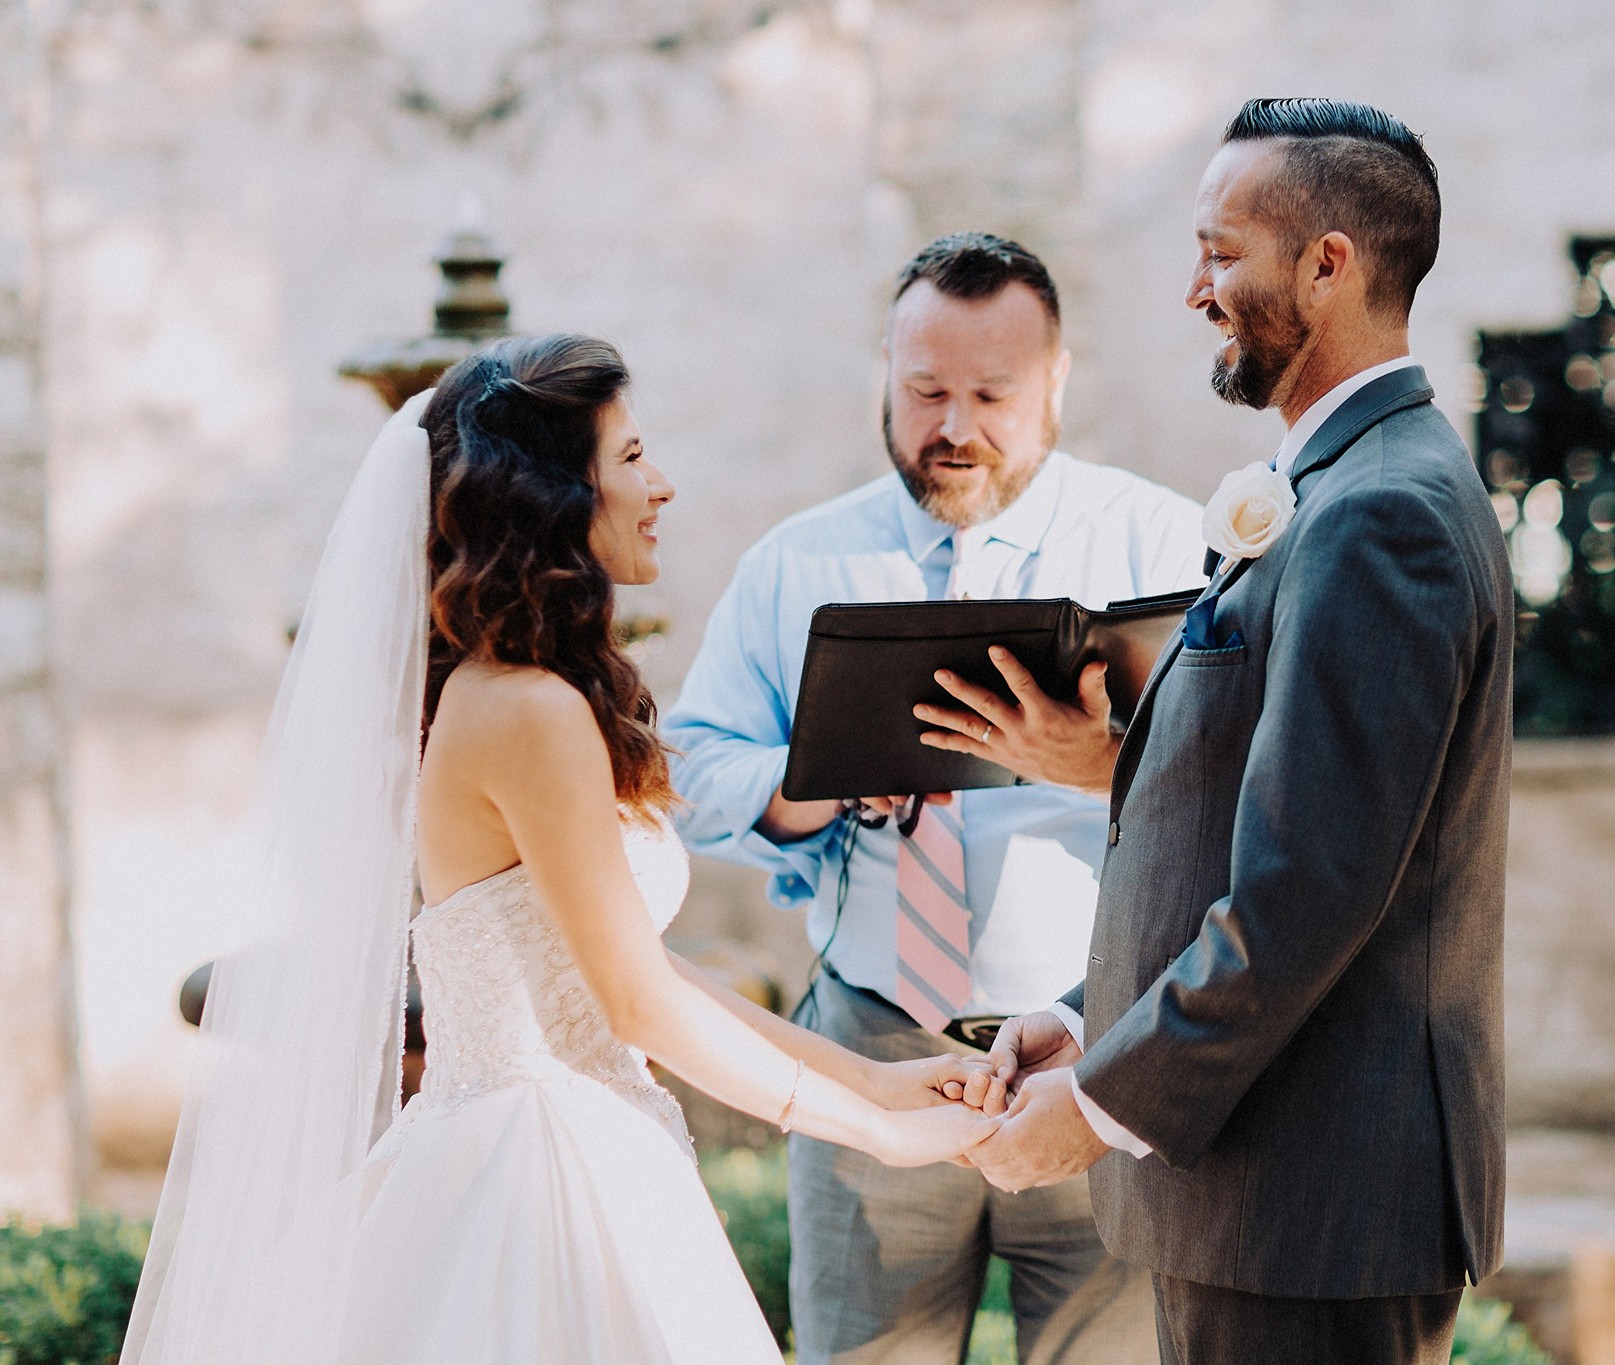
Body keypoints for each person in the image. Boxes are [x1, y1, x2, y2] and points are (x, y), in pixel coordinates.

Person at [121, 334, 999, 1365]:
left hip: (582, 1148)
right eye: (629, 458)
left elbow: (633, 970)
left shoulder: (516, 695)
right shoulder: (524, 709)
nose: (661, 484)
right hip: (532, 1182)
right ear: (546, 497)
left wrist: (876, 1081)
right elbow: (637, 1007)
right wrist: (877, 1136)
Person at [964, 99, 1515, 1365]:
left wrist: (1100, 1104)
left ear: (1327, 264)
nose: (1193, 289)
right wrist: (1088, 1015)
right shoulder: (1341, 490)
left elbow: (1304, 891)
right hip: (1266, 1199)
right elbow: (1222, 822)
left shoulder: (1384, 517)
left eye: (1221, 252)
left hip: (1312, 1206)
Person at [667, 233, 1204, 1364]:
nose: (952, 425)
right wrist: (811, 784)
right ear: (886, 377)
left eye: (990, 394)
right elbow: (691, 761)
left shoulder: (1158, 540)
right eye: (923, 391)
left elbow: (1241, 779)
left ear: (1055, 382)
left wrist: (1095, 760)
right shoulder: (793, 563)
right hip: (869, 1049)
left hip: (1097, 1047)